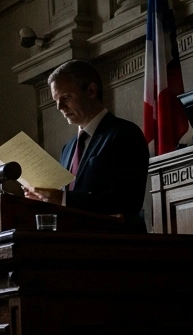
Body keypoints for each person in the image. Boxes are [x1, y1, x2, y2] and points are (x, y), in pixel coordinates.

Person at [24, 60, 148, 232]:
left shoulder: (124, 133)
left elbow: (126, 202)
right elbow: (65, 203)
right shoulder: (67, 149)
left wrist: (62, 199)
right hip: (73, 246)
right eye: (56, 100)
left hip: (115, 247)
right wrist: (43, 199)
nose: (59, 107)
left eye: (66, 97)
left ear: (91, 91)